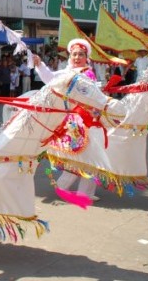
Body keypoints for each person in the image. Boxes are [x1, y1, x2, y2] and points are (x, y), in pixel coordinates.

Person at [32, 38, 100, 201]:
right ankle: (66, 188)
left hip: (89, 121)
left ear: (86, 57)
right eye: (74, 54)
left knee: (90, 158)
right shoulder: (67, 72)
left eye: (81, 55)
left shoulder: (88, 74)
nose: (77, 57)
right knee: (80, 157)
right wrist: (39, 64)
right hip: (74, 122)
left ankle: (82, 192)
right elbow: (50, 78)